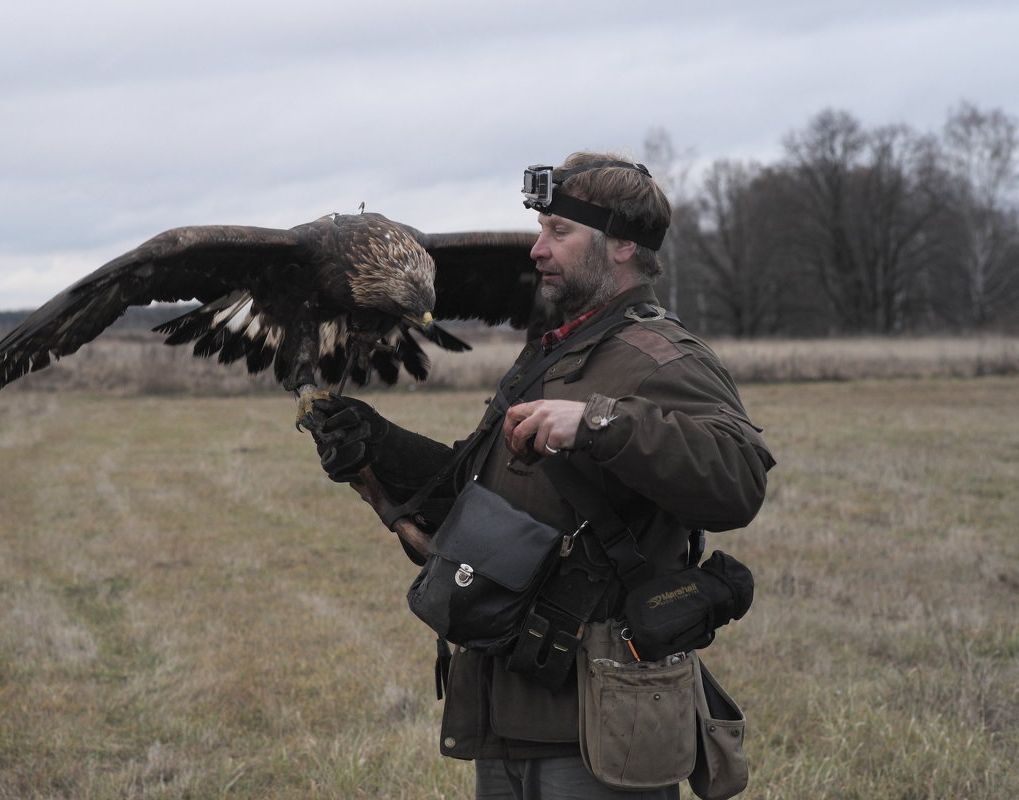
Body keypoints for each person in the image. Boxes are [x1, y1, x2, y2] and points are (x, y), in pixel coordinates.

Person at [307, 152, 775, 799]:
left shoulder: (659, 357)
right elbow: (479, 507)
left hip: (601, 730)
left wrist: (597, 423)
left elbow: (741, 479)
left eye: (559, 232)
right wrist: (375, 446)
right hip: (506, 717)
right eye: (541, 230)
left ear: (620, 245)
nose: (536, 250)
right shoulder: (550, 356)